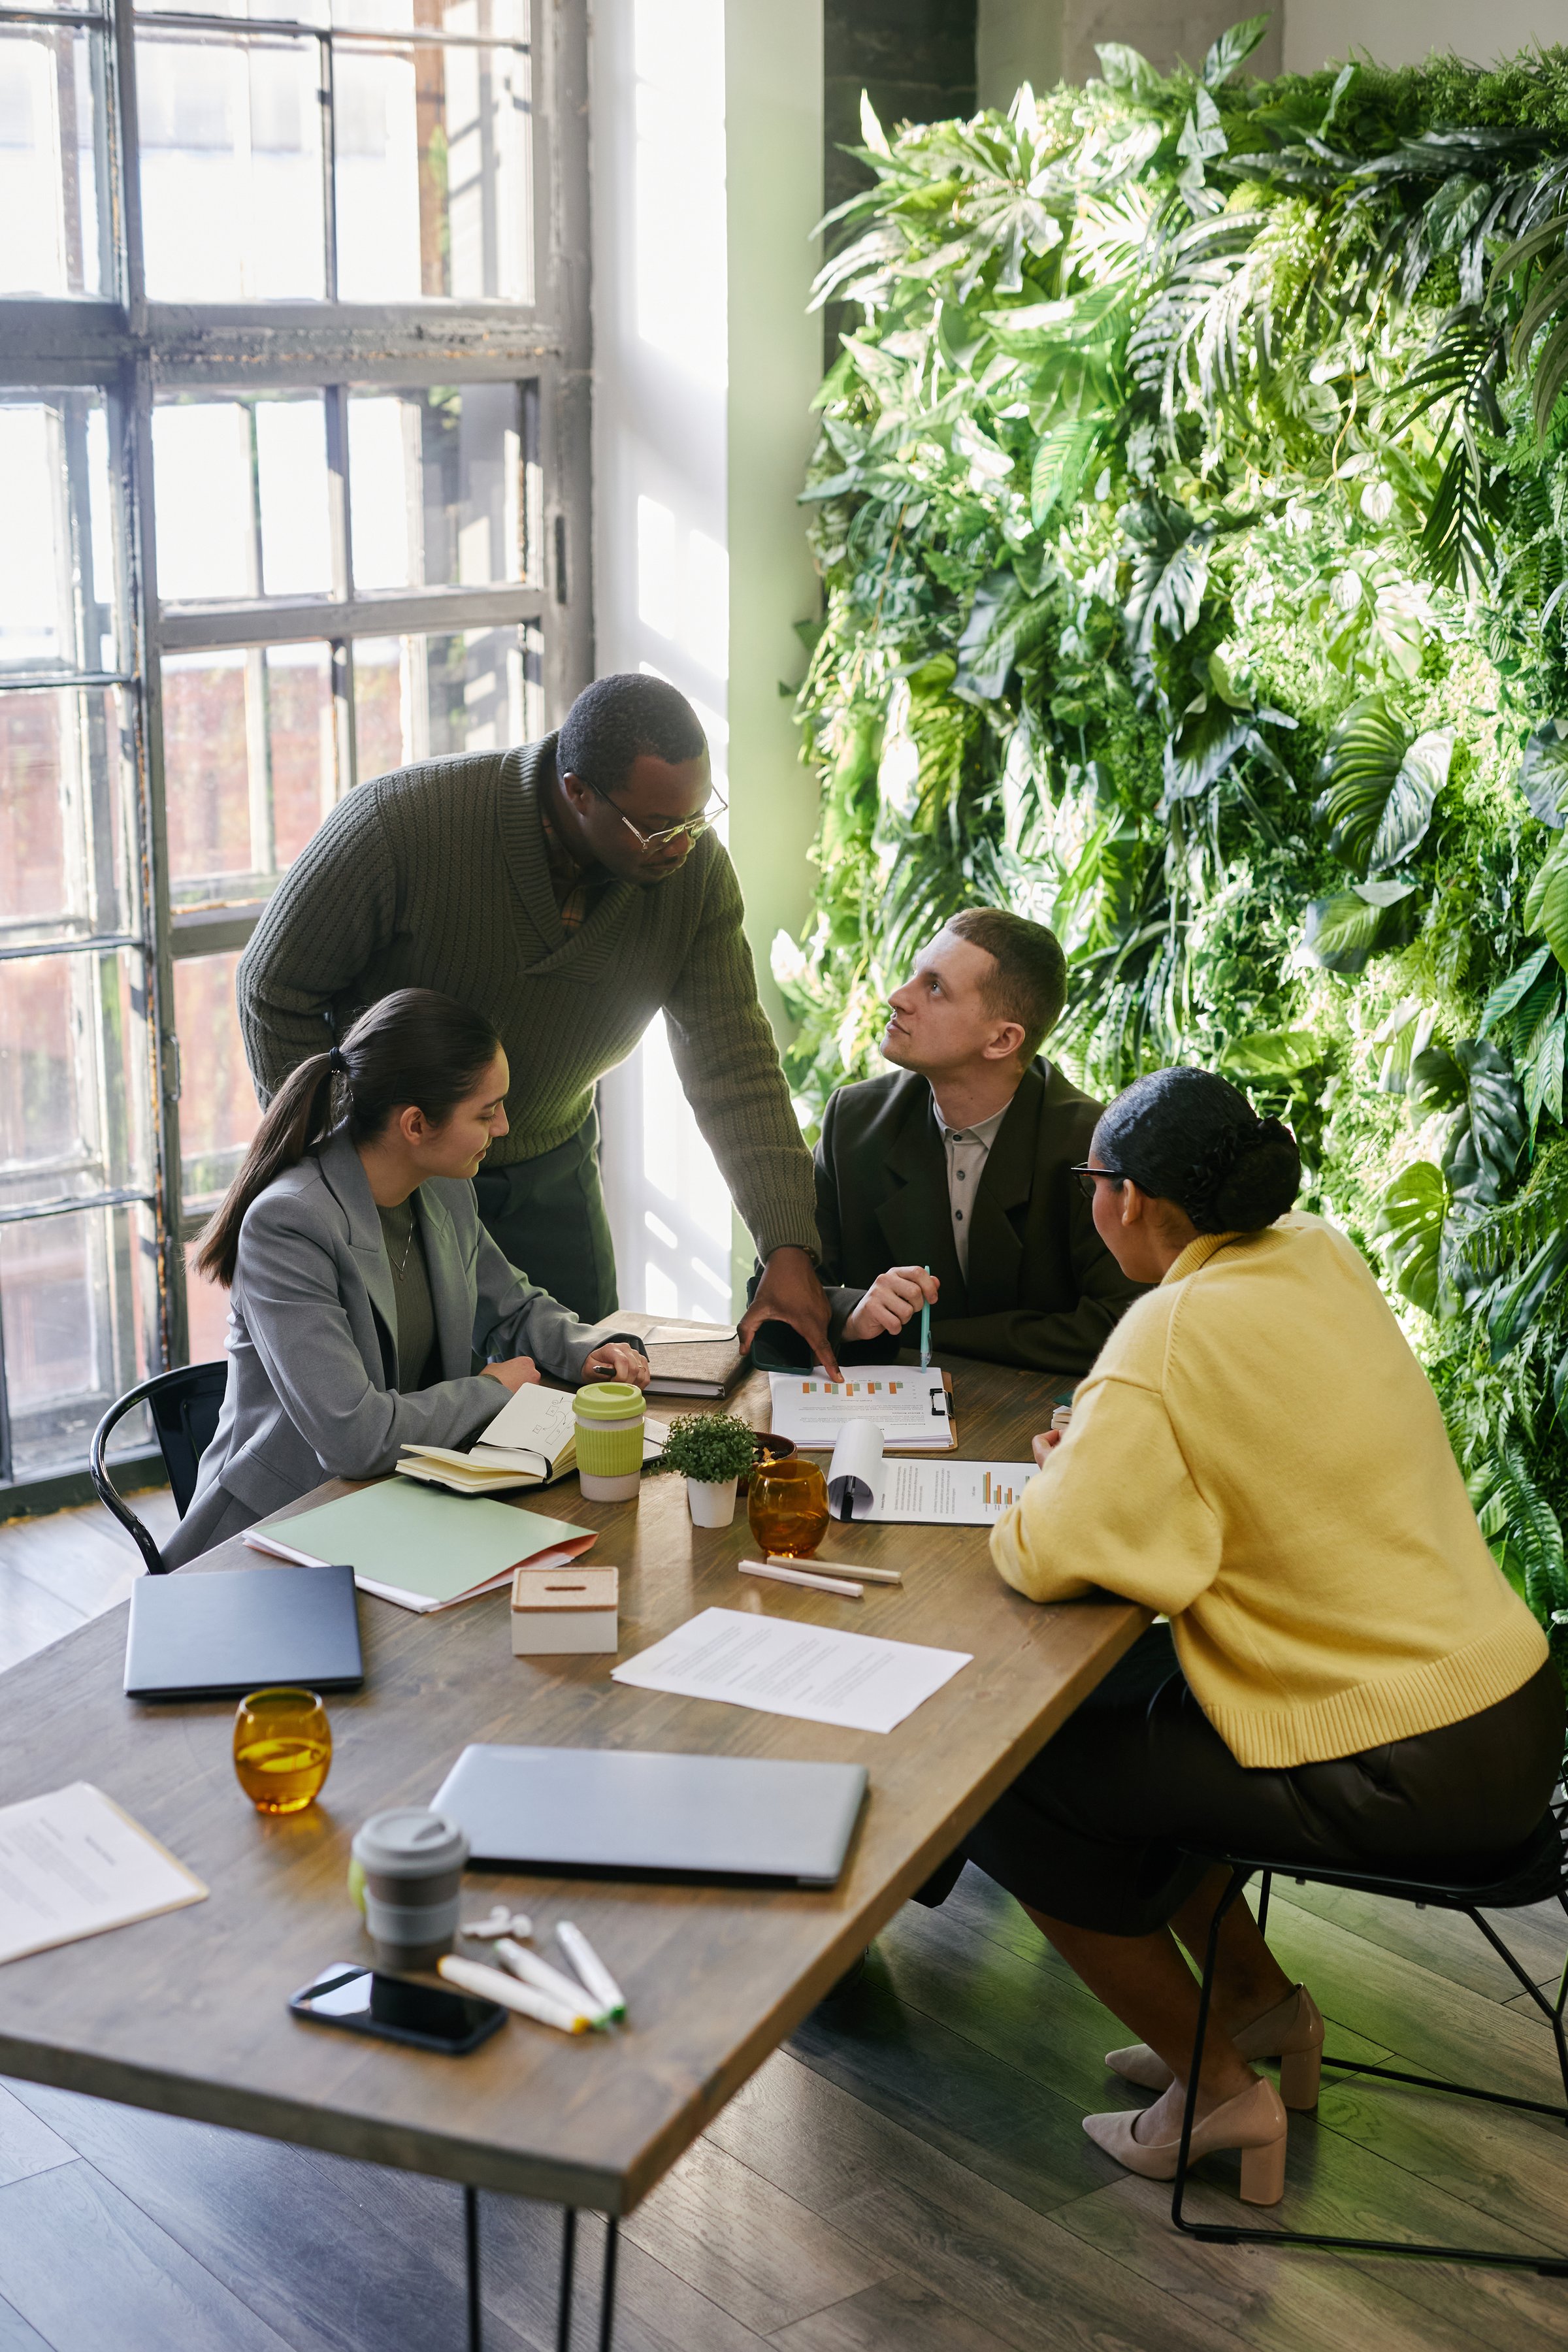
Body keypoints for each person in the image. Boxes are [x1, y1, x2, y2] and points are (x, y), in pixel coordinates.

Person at [947, 1067, 1561, 2203]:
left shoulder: (1164, 1329)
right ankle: (1255, 2006)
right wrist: (1106, 1463)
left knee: (1009, 1777)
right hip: (1510, 1708)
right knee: (1135, 1706)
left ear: (1126, 1201)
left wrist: (1068, 1475)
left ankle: (1219, 2090)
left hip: (1408, 1765)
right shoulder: (1316, 1252)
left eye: (1092, 1183)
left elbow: (1040, 1553)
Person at [237, 672, 840, 1375]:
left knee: (597, 1391)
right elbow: (272, 988)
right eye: (657, 826)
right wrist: (356, 1162)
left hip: (550, 1174)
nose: (681, 846)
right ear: (577, 790)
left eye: (698, 817)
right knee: (413, 1423)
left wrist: (788, 1246)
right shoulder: (401, 825)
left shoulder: (693, 875)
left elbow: (733, 1061)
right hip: (398, 1181)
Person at [165, 990, 650, 1569]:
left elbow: (513, 1306)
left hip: (398, 1504)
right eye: (485, 1111)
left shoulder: (444, 1184)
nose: (504, 1127)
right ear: (416, 1124)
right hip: (277, 1536)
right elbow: (356, 1437)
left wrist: (591, 1350)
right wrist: (492, 1391)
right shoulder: (289, 1225)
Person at [800, 909, 1143, 1370]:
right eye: (915, 975)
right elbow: (781, 1285)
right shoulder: (855, 1122)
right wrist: (850, 1312)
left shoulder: (1093, 1145)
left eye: (935, 987)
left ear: (1002, 1040)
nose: (897, 997)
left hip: (1039, 1426)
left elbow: (1123, 1326)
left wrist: (927, 1337)